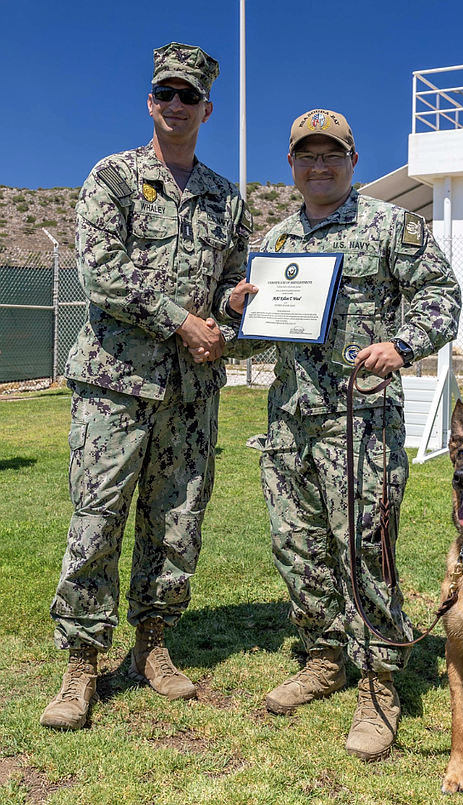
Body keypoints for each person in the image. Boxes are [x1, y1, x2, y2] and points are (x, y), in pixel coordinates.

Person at [228, 109, 461, 761]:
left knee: (365, 549)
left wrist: (402, 342)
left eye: (333, 154)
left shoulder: (393, 227)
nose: (320, 165)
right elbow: (259, 330)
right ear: (293, 166)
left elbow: (441, 296)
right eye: (308, 155)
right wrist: (238, 310)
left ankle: (380, 684)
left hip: (362, 421)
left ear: (353, 162)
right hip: (290, 419)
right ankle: (325, 657)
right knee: (297, 545)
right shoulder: (275, 241)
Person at [40, 43, 253, 731]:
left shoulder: (227, 198)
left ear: (207, 108)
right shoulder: (114, 178)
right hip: (114, 384)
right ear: (150, 101)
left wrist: (237, 307)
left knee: (176, 525)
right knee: (96, 519)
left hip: (191, 394)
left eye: (188, 95)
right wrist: (183, 321)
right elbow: (101, 273)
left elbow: (229, 287)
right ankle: (81, 662)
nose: (175, 104)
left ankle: (151, 647)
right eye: (165, 92)